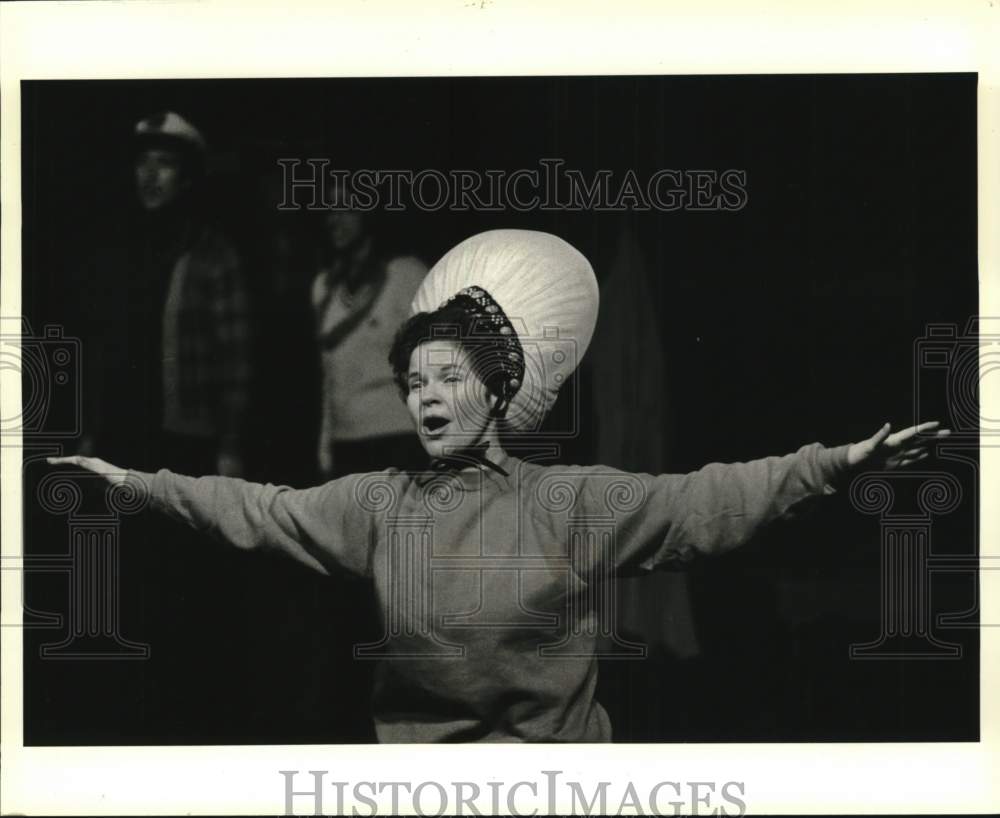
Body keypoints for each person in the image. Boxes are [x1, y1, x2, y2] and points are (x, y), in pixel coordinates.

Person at [50, 229, 949, 742]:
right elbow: (256, 509)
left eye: (445, 377)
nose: (426, 397)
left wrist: (837, 466)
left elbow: (702, 501)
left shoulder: (570, 504)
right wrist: (134, 482)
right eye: (413, 382)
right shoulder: (378, 505)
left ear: (494, 387)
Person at [82, 110, 252, 477]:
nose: (150, 175)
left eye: (165, 164)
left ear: (187, 178)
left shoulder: (214, 254)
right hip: (121, 433)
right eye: (143, 162)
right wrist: (91, 433)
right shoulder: (121, 251)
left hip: (185, 441)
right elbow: (102, 349)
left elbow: (234, 362)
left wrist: (230, 446)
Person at [311, 191, 428, 478]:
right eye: (330, 210)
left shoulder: (407, 275)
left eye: (347, 208)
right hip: (346, 443)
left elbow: (434, 362)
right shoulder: (325, 287)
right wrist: (325, 448)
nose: (335, 220)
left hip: (400, 438)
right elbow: (329, 377)